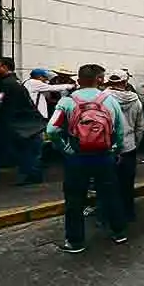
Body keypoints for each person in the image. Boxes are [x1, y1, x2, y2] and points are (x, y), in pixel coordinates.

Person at [46, 64, 128, 252]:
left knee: (74, 198)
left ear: (79, 79)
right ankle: (119, 232)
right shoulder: (110, 101)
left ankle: (75, 242)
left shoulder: (67, 102)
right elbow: (120, 131)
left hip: (77, 156)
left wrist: (66, 148)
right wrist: (115, 150)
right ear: (99, 79)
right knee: (110, 194)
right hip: (104, 155)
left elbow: (52, 129)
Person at [0, 57, 47, 185]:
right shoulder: (10, 82)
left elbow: (0, 104)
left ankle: (32, 175)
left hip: (20, 124)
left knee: (26, 150)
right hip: (18, 123)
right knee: (4, 149)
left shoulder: (7, 84)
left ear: (5, 67)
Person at [103, 69, 144, 222]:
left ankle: (110, 215)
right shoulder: (135, 100)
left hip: (109, 148)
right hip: (129, 146)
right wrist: (136, 143)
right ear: (125, 82)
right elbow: (139, 127)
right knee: (127, 183)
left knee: (109, 183)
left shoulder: (103, 99)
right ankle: (128, 212)